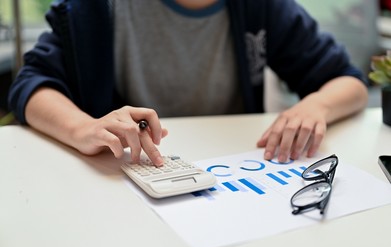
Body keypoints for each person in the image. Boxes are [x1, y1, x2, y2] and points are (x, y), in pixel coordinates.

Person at [8, 0, 368, 166]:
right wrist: (84, 128)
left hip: (234, 177)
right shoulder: (95, 9)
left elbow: (348, 82)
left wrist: (316, 104)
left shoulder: (264, 8)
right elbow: (32, 85)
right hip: (124, 180)